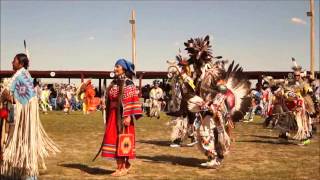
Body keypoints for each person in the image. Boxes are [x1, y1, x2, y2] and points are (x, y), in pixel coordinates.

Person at [0, 53, 59, 179]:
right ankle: (19, 173)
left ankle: (28, 175)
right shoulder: (21, 75)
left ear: (20, 64)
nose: (11, 62)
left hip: (23, 120)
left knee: (23, 145)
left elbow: (26, 101)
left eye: (14, 61)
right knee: (17, 146)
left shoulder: (21, 76)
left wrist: (8, 97)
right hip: (17, 118)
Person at [98, 58, 142, 177]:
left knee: (122, 140)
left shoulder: (128, 83)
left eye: (117, 66)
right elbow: (110, 98)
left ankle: (122, 167)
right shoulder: (114, 83)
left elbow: (132, 100)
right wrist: (104, 103)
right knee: (113, 139)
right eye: (115, 66)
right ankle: (123, 166)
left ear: (124, 68)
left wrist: (128, 116)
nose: (115, 68)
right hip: (113, 116)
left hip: (123, 117)